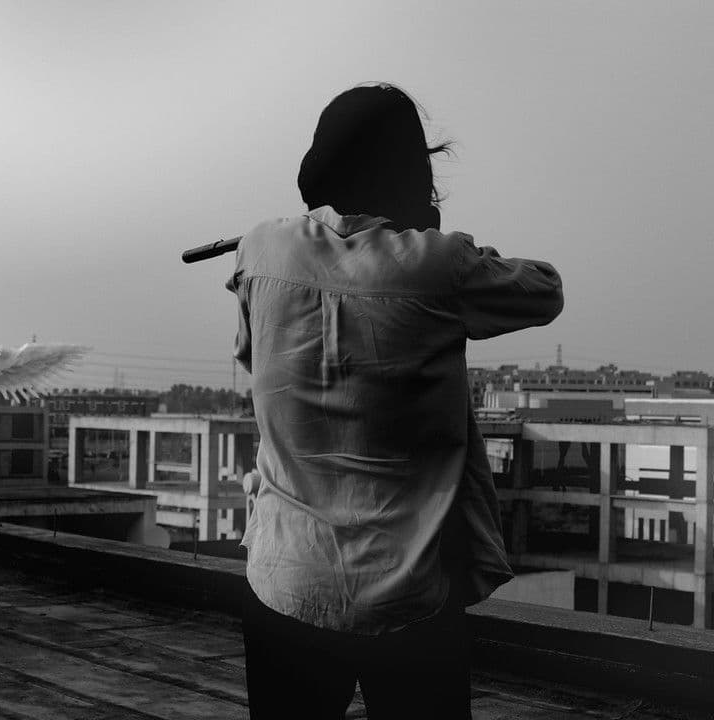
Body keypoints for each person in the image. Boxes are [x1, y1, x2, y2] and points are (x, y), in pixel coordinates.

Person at [229, 84, 563, 718]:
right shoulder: (437, 265)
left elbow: (252, 355)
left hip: (285, 579)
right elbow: (545, 289)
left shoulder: (258, 250)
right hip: (410, 597)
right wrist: (434, 240)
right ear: (411, 173)